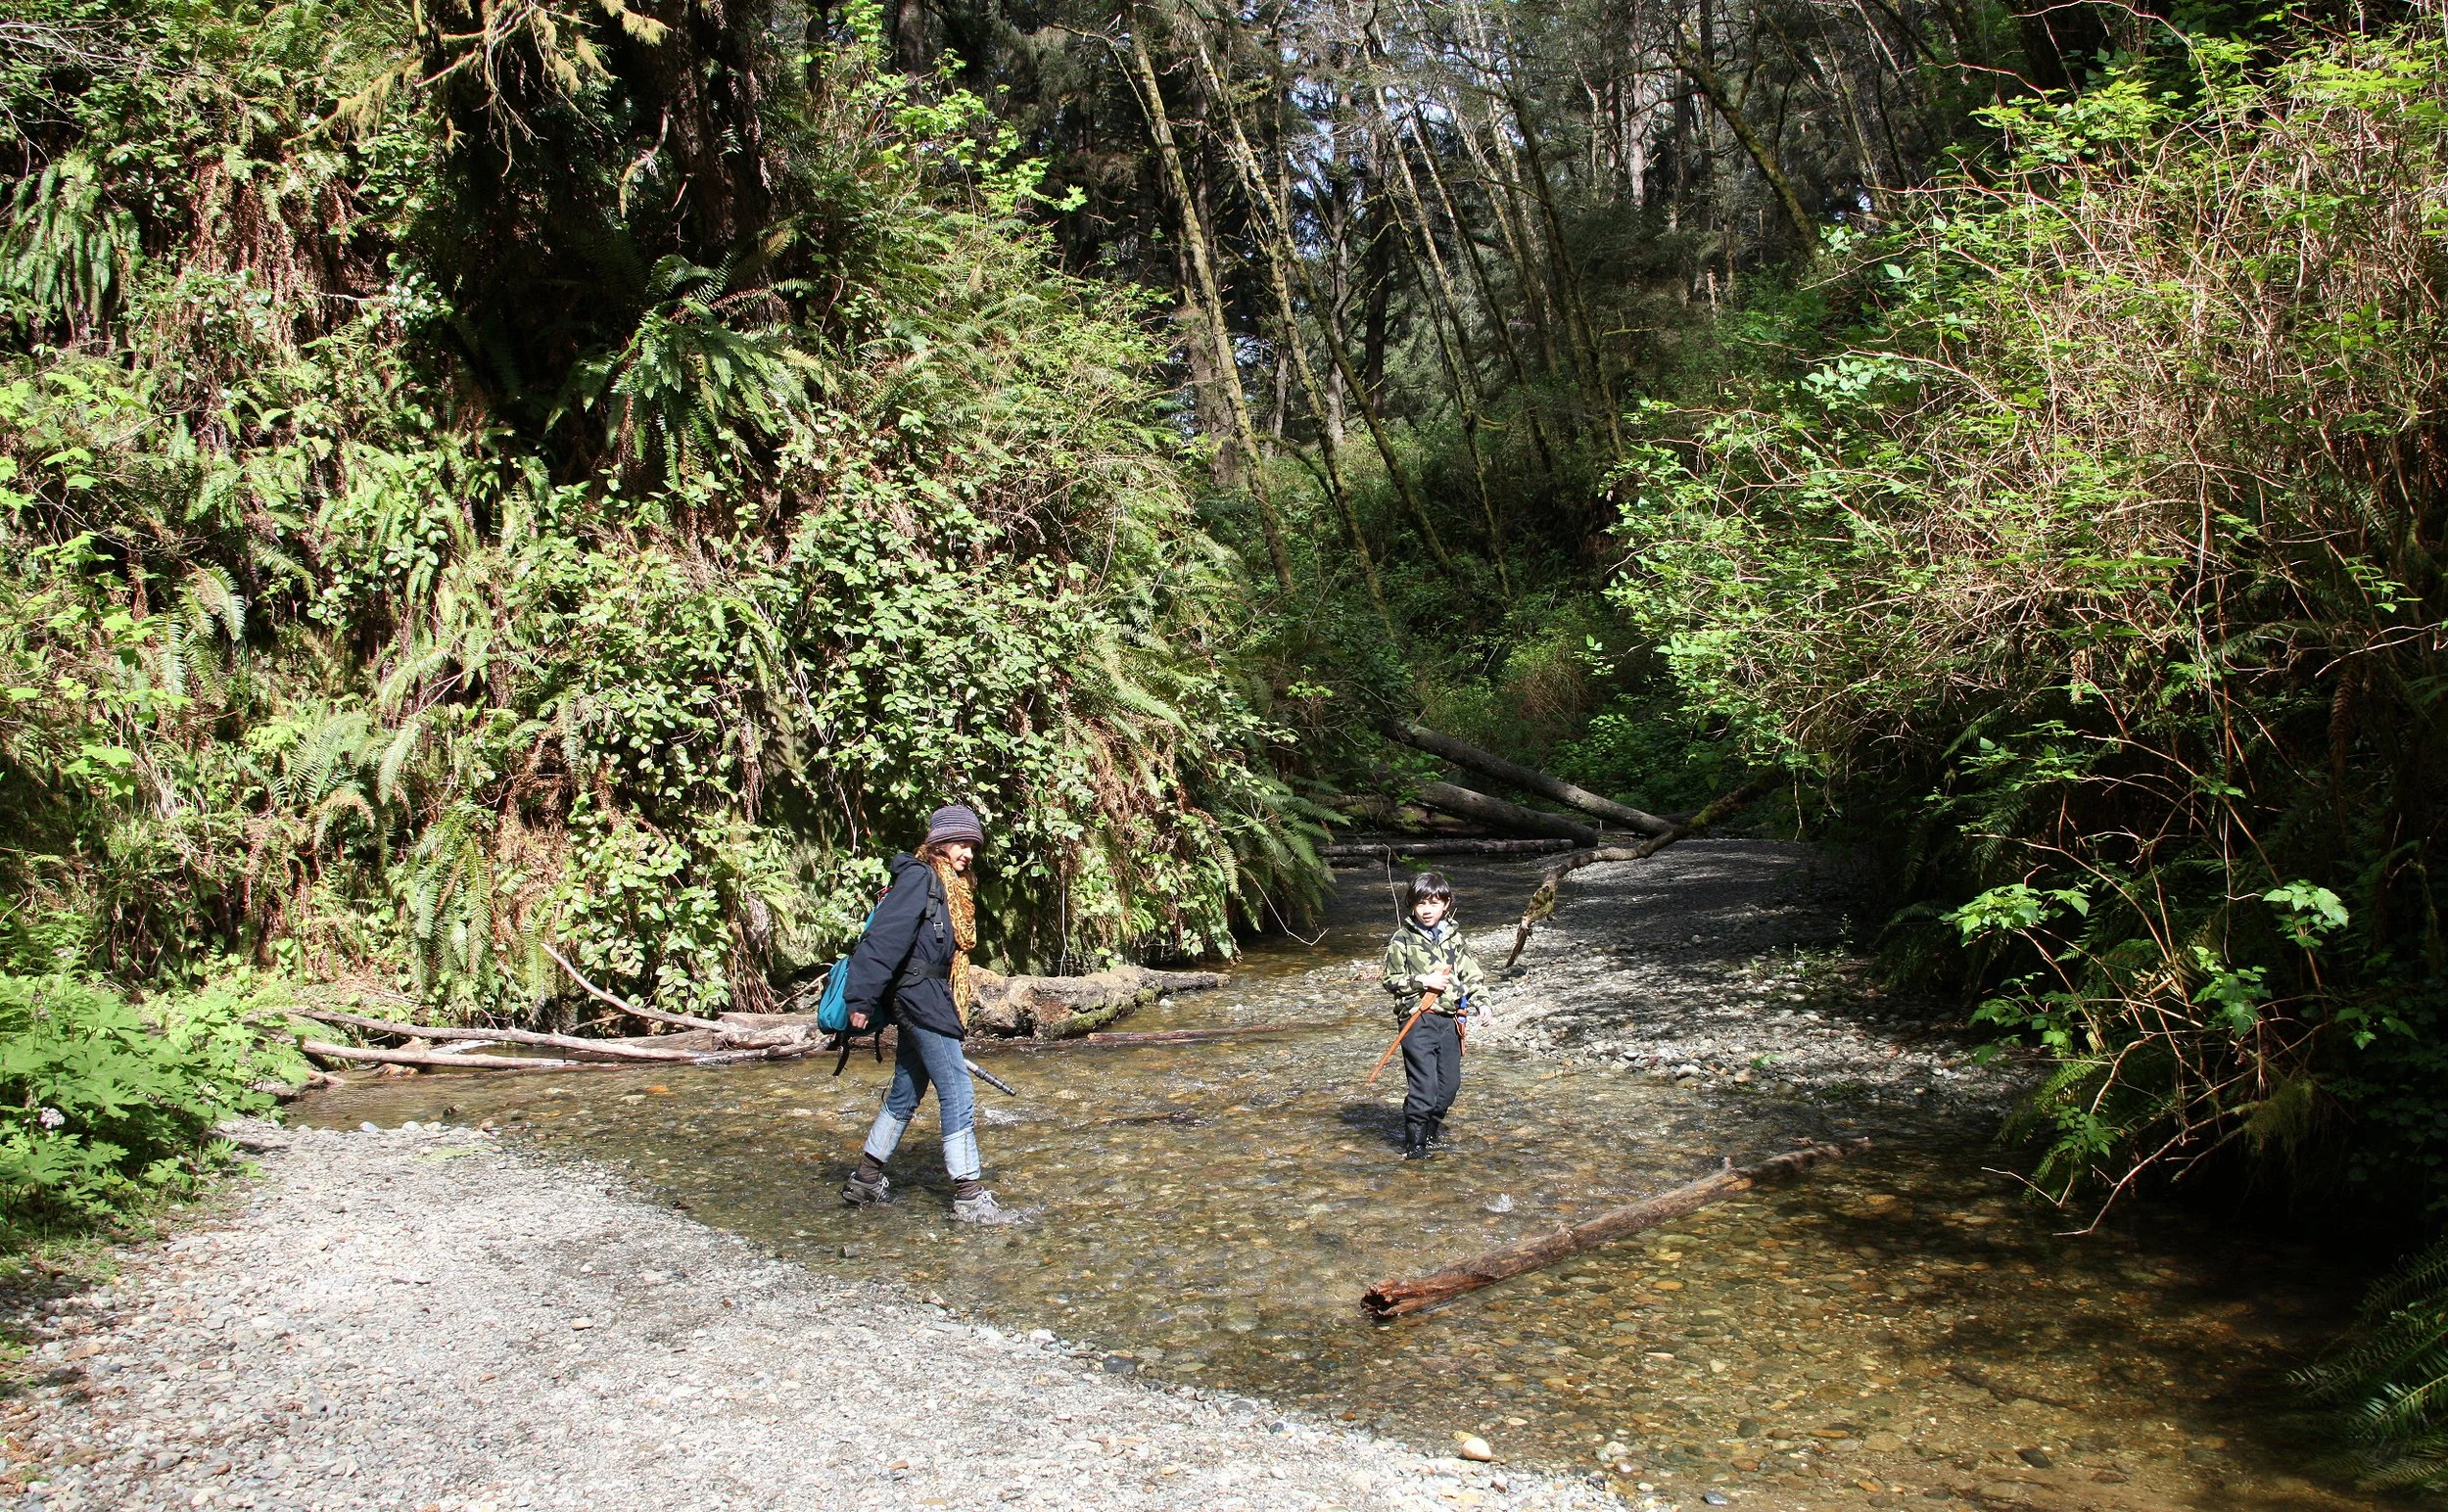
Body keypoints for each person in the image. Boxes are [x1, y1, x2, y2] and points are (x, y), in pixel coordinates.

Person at [838, 804, 1017, 1223]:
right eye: (960, 842)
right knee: (957, 1090)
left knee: (906, 1089)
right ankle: (969, 1195)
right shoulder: (921, 879)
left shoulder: (948, 886)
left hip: (932, 994)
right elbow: (883, 939)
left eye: (972, 845)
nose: (968, 852)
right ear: (938, 842)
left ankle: (865, 1180)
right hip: (919, 995)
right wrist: (861, 999)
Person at [1381, 871, 1490, 1160]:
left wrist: (1483, 1004)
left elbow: (1471, 974)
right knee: (1424, 1089)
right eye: (1420, 904)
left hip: (1451, 1021)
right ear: (1412, 906)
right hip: (1417, 1020)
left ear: (1446, 904)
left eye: (1433, 902)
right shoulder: (1401, 939)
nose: (1427, 909)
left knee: (1449, 1087)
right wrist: (1423, 981)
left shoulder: (1454, 937)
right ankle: (1414, 1146)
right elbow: (1390, 980)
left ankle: (1430, 1132)